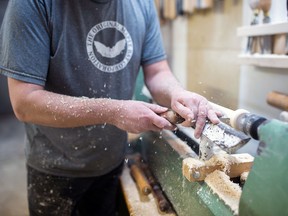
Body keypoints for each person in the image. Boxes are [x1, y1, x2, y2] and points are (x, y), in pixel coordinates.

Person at [0, 0, 221, 215]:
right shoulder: (32, 4)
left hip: (110, 161)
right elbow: (24, 103)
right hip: (55, 167)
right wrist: (114, 111)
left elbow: (157, 72)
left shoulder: (142, 4)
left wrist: (177, 94)